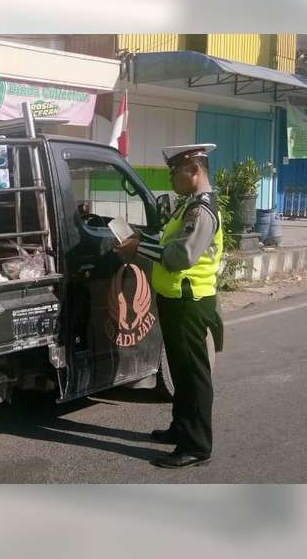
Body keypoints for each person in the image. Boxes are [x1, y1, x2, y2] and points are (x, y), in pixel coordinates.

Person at [115, 144, 224, 469]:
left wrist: (138, 248)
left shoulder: (201, 210)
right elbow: (167, 243)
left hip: (191, 302)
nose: (172, 178)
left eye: (175, 172)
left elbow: (181, 256)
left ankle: (197, 445)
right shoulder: (188, 206)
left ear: (194, 170)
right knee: (179, 369)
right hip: (176, 299)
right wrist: (141, 240)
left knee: (192, 375)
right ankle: (181, 427)